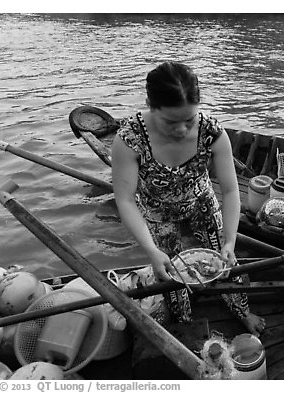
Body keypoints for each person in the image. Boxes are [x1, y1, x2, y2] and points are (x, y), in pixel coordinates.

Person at [111, 61, 265, 335]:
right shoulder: (129, 139)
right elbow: (125, 199)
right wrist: (151, 250)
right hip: (157, 212)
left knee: (227, 262)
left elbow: (230, 191)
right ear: (150, 104)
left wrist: (230, 240)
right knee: (169, 274)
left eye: (189, 120)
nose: (182, 129)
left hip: (201, 203)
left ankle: (243, 311)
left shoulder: (212, 134)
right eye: (170, 121)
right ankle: (185, 324)